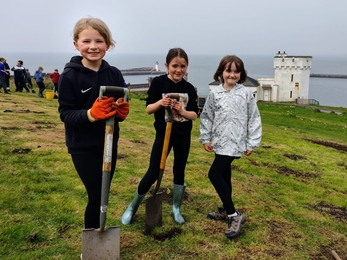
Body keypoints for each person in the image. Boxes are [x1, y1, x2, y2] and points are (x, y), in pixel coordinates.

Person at [58, 17, 129, 231]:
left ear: (107, 44)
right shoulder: (69, 76)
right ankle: (91, 242)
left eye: (99, 41)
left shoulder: (114, 73)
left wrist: (120, 113)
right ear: (76, 44)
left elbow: (120, 103)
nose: (93, 47)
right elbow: (66, 113)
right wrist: (90, 114)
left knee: (104, 191)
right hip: (82, 146)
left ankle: (99, 233)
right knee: (97, 193)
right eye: (86, 41)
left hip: (108, 143)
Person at [121, 47, 199, 225]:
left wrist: (182, 111)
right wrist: (160, 103)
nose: (178, 70)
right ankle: (132, 207)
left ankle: (176, 208)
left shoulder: (189, 88)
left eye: (183, 66)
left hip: (183, 136)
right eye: (174, 66)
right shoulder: (158, 83)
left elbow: (194, 115)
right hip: (163, 135)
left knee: (179, 171)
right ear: (166, 65)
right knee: (153, 172)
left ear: (187, 67)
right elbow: (149, 109)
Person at [199, 55, 262, 239]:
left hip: (235, 143)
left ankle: (234, 215)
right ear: (221, 72)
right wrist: (206, 138)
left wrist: (252, 142)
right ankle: (227, 210)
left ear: (241, 73)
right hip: (219, 142)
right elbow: (207, 116)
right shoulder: (215, 94)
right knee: (225, 176)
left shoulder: (245, 94)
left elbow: (254, 118)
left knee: (214, 174)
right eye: (228, 71)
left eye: (236, 71)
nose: (232, 74)